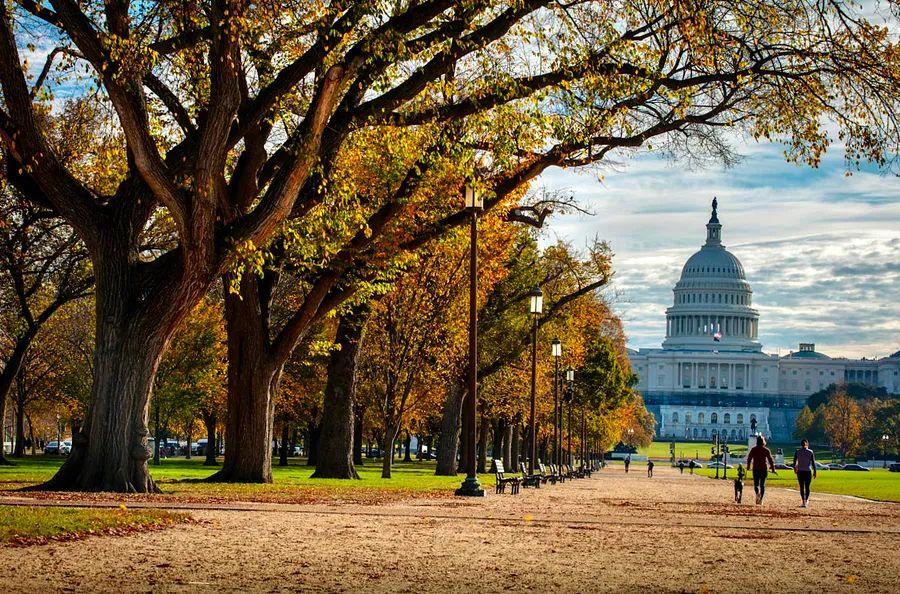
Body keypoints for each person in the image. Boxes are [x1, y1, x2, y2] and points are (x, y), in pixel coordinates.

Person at [746, 435, 776, 505]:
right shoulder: (766, 450)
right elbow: (770, 460)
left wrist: (748, 467)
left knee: (756, 484)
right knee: (762, 485)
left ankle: (757, 493)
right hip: (763, 468)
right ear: (763, 441)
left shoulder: (753, 449)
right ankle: (761, 499)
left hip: (755, 468)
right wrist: (773, 468)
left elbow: (749, 458)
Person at [793, 438, 817, 508]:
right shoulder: (810, 452)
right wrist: (815, 471)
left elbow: (794, 461)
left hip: (800, 471)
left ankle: (803, 501)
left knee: (801, 487)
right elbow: (813, 463)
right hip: (808, 471)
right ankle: (806, 501)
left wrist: (795, 468)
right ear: (807, 444)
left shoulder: (797, 452)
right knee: (807, 487)